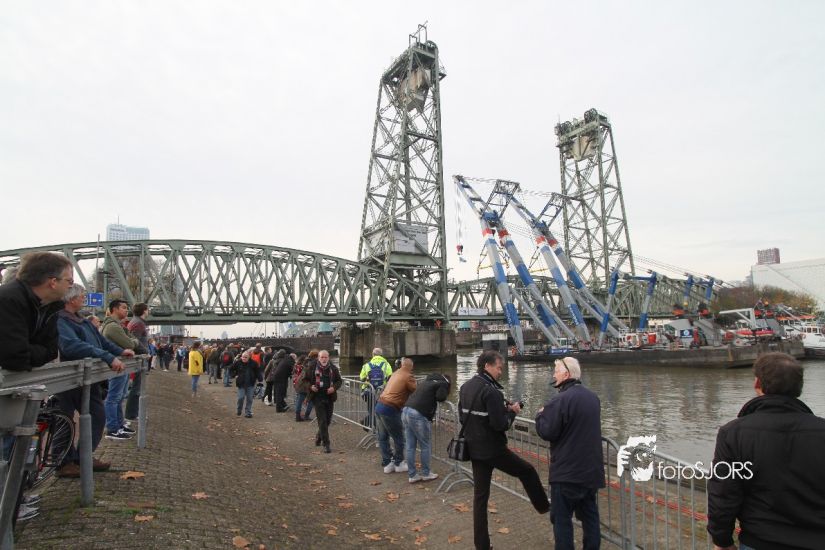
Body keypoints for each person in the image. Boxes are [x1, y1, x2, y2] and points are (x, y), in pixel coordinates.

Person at [707, 352, 825, 550]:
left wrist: (722, 540)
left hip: (760, 540)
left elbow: (724, 494)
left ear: (757, 383)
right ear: (799, 387)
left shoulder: (733, 433)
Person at [0, 252, 73, 521]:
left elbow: (50, 350)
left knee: (12, 444)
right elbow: (15, 356)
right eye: (68, 280)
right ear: (52, 281)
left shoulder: (49, 307)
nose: (71, 285)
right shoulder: (9, 299)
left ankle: (11, 501)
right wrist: (34, 353)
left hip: (16, 385)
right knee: (5, 446)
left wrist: (32, 352)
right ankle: (6, 509)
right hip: (8, 384)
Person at [459, 350, 550, 550]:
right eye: (499, 368)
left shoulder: (466, 387)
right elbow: (501, 425)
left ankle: (482, 545)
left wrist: (501, 410)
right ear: (487, 366)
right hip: (494, 450)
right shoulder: (491, 392)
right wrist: (513, 412)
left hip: (474, 450)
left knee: (480, 498)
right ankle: (544, 506)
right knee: (527, 471)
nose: (501, 372)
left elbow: (463, 417)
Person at [56, 284, 136, 476]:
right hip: (68, 378)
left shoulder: (81, 320)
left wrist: (119, 351)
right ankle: (64, 463)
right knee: (64, 419)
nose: (85, 298)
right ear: (71, 299)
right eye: (82, 296)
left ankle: (83, 457)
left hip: (87, 378)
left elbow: (101, 342)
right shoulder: (61, 320)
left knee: (97, 415)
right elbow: (72, 346)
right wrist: (108, 357)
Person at [535, 356, 604, 550]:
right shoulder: (593, 398)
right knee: (590, 517)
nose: (553, 375)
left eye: (556, 371)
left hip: (567, 473)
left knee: (562, 520)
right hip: (591, 471)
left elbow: (547, 432)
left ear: (566, 374)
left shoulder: (560, 399)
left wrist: (540, 415)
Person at [100, 299, 140, 439]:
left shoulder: (117, 326)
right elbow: (130, 343)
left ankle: (119, 424)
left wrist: (132, 341)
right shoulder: (113, 327)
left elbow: (131, 340)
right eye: (123, 307)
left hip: (121, 364)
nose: (126, 310)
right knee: (114, 397)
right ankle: (112, 428)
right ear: (115, 309)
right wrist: (133, 342)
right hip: (116, 365)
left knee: (120, 396)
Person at [402, 373, 451, 483]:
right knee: (425, 445)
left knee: (410, 446)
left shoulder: (426, 382)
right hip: (418, 414)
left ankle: (412, 475)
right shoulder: (443, 383)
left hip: (406, 410)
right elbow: (441, 397)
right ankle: (426, 473)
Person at [376, 357, 416, 474]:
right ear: (411, 367)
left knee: (383, 437)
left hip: (379, 405)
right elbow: (415, 390)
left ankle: (387, 463)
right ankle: (399, 463)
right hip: (390, 408)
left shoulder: (395, 373)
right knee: (399, 437)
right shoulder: (408, 376)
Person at [300, 349, 341, 453]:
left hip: (329, 396)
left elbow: (339, 381)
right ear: (318, 358)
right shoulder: (312, 367)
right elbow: (304, 380)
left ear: (328, 358)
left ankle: (319, 437)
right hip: (317, 396)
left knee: (327, 420)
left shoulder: (333, 368)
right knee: (322, 420)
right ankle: (326, 444)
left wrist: (334, 388)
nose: (324, 359)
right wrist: (311, 386)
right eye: (322, 357)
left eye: (325, 357)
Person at [124, 302, 150, 421]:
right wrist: (146, 352)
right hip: (139, 359)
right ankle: (131, 414)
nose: (148, 311)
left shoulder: (137, 322)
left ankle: (133, 413)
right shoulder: (138, 323)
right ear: (144, 311)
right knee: (136, 387)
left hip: (139, 358)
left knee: (137, 387)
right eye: (147, 309)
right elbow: (134, 341)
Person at [359, 348, 392, 429]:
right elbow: (390, 377)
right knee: (381, 410)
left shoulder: (367, 365)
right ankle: (375, 427)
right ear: (381, 355)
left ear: (373, 355)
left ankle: (369, 425)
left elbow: (362, 378)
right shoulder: (386, 365)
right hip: (382, 391)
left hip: (369, 391)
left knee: (371, 409)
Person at [233, 351, 262, 418]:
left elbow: (258, 372)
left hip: (250, 384)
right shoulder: (238, 362)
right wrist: (235, 375)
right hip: (241, 383)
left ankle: (248, 412)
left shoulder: (254, 363)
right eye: (243, 357)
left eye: (245, 357)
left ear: (249, 357)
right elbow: (231, 369)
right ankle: (239, 409)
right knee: (241, 398)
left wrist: (260, 379)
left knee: (250, 399)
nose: (244, 358)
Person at [292, 353, 314, 422]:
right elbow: (306, 378)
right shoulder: (305, 368)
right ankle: (306, 416)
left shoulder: (296, 366)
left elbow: (294, 374)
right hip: (304, 386)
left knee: (299, 400)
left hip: (297, 384)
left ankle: (297, 416)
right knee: (310, 400)